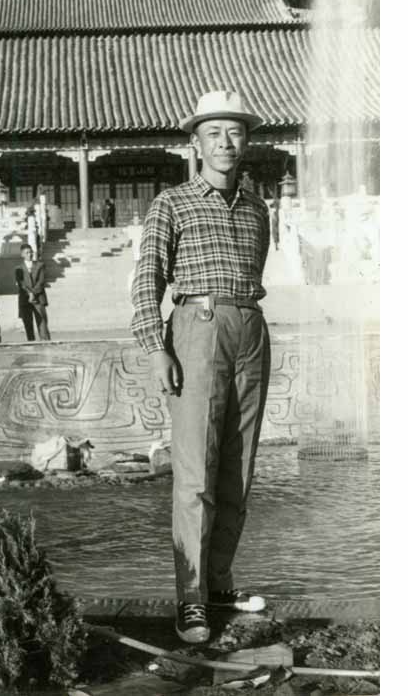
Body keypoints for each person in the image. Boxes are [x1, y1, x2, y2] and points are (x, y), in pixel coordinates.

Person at [131, 91, 271, 644]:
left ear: (246, 141)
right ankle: (190, 598)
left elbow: (255, 271)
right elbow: (147, 279)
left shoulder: (258, 208)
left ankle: (218, 583)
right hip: (198, 325)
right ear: (196, 142)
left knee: (238, 467)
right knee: (195, 473)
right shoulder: (172, 203)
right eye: (214, 133)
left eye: (235, 132)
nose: (225, 143)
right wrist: (155, 347)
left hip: (250, 328)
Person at [15, 243, 51, 341]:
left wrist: (33, 293)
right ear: (22, 254)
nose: (30, 254)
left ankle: (45, 342)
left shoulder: (40, 265)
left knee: (42, 323)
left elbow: (41, 281)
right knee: (28, 324)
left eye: (31, 252)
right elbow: (21, 283)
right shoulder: (18, 268)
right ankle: (31, 343)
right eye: (27, 253)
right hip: (25, 299)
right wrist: (29, 294)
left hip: (38, 298)